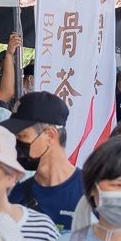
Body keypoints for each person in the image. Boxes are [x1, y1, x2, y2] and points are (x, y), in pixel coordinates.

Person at [7, 93, 85, 230]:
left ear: (50, 135)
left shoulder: (91, 193)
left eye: (22, 136)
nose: (15, 144)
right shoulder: (15, 197)